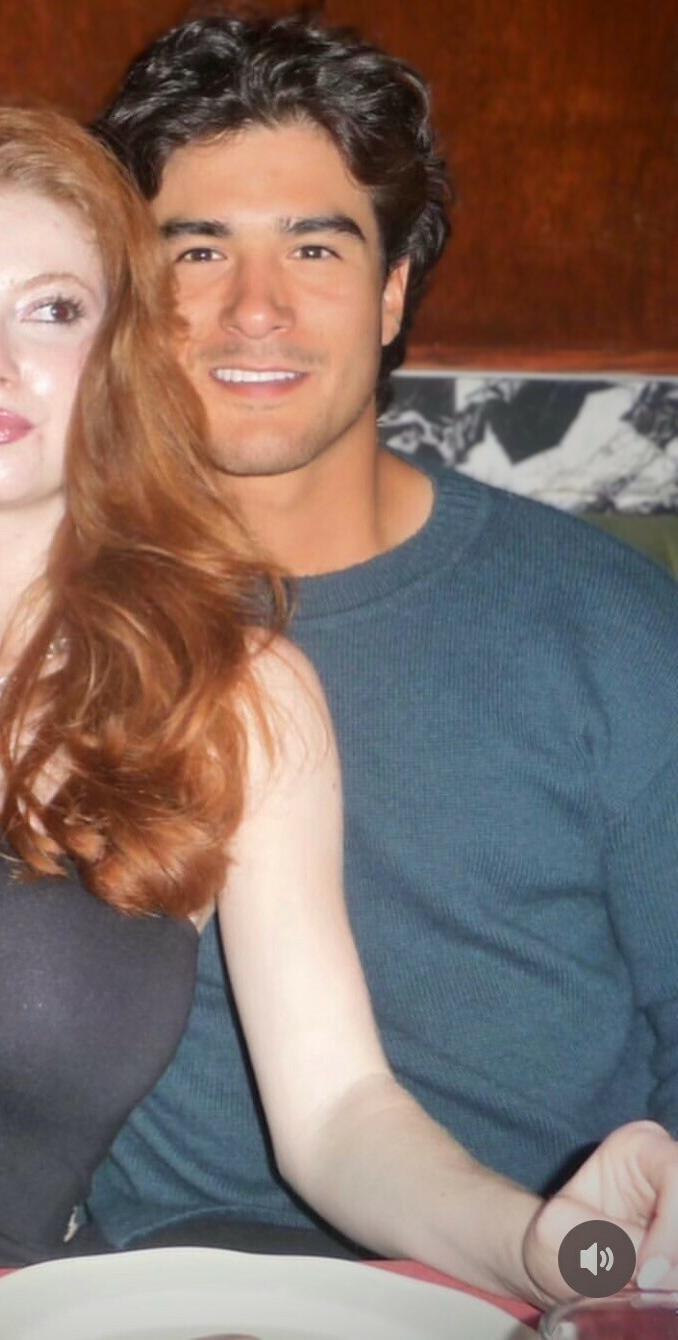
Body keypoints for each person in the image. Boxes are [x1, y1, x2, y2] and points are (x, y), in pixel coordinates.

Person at [0, 20, 678, 1300]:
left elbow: (339, 1112)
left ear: (121, 361)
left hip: (0, 1304)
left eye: (51, 310)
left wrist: (563, 1248)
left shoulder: (252, 689)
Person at [79, 10, 678, 1281]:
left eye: (315, 246)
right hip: (168, 1284)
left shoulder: (608, 627)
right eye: (198, 250)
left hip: (560, 1279)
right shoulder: (50, 623)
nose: (254, 308)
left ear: (393, 290)